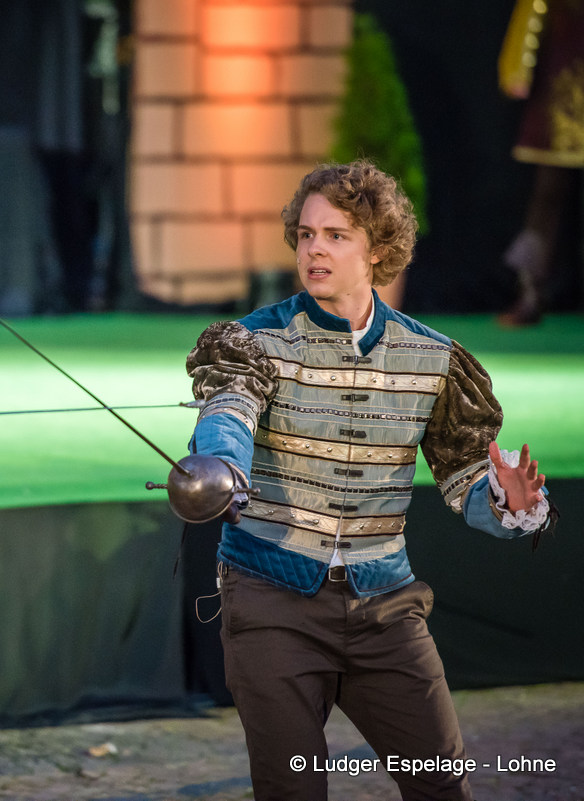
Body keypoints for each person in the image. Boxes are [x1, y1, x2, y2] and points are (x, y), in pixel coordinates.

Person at [185, 160, 555, 800]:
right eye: (306, 234)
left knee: (442, 785)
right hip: (272, 603)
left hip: (386, 608)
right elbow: (229, 413)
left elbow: (465, 476)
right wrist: (222, 463)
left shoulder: (431, 356)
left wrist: (504, 500)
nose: (315, 250)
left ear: (378, 249)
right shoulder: (252, 342)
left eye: (336, 235)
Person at [496, 0, 584, 326]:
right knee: (545, 203)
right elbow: (530, 18)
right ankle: (530, 295)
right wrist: (517, 70)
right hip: (559, 98)